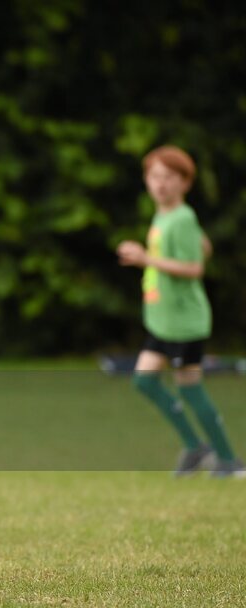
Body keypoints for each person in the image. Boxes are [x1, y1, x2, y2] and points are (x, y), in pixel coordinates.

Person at [117, 145, 243, 478]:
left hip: (185, 323)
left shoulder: (182, 216)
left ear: (185, 182)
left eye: (169, 177)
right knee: (144, 382)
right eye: (155, 176)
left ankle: (229, 460)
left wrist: (146, 259)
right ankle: (196, 447)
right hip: (163, 321)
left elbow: (193, 268)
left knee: (190, 389)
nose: (161, 183)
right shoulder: (166, 214)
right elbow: (204, 247)